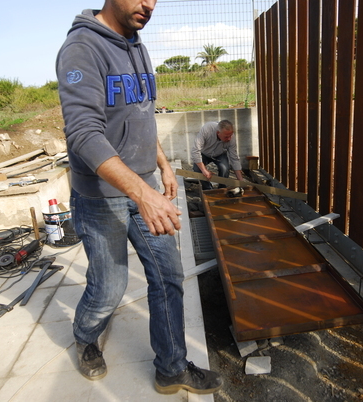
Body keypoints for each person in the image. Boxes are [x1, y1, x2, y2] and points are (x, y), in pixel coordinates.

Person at [56, 0, 223, 394]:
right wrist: (142, 193)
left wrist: (162, 163)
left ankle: (172, 368)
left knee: (168, 278)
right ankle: (85, 336)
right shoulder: (82, 47)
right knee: (109, 287)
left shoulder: (138, 44)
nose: (148, 4)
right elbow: (83, 135)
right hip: (100, 197)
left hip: (145, 185)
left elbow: (141, 114)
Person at [191, 120, 244, 190]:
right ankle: (208, 189)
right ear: (218, 133)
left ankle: (222, 188)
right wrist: (204, 170)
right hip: (204, 153)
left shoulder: (231, 138)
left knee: (224, 168)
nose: (229, 139)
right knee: (197, 169)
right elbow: (195, 151)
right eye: (226, 137)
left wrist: (240, 180)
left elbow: (234, 158)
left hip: (220, 154)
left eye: (230, 135)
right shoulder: (207, 129)